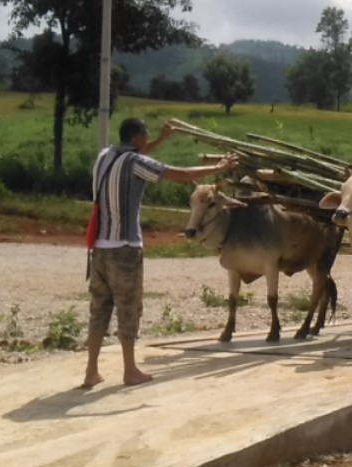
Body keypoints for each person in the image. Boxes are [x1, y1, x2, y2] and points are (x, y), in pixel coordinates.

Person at [83, 118, 238, 389]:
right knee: (128, 309)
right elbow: (179, 173)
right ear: (139, 138)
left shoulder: (105, 156)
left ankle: (91, 372)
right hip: (125, 248)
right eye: (147, 136)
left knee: (99, 310)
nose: (148, 140)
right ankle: (130, 370)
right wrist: (219, 167)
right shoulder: (136, 162)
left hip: (99, 249)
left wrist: (162, 139)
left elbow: (141, 156)